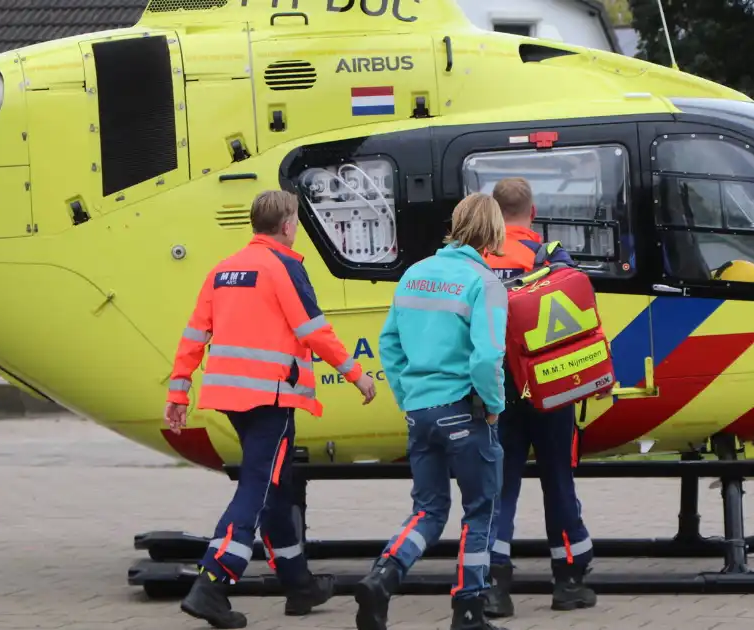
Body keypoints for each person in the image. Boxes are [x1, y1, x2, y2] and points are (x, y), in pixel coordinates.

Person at [164, 189, 377, 629]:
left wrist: (178, 394)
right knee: (259, 488)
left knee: (275, 486)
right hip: (270, 397)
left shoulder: (222, 271)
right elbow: (313, 330)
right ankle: (212, 582)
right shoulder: (284, 267)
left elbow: (193, 336)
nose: (296, 229)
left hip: (230, 398)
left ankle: (298, 584)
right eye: (296, 221)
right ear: (286, 226)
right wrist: (357, 374)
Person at [354, 193, 510, 630]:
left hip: (420, 413)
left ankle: (383, 577)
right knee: (481, 510)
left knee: (428, 510)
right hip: (465, 411)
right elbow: (485, 358)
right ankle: (468, 610)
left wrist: (409, 398)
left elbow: (389, 343)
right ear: (493, 232)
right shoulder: (486, 283)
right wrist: (494, 407)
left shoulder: (414, 275)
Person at [480, 177, 597, 618]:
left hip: (496, 390)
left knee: (498, 486)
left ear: (492, 213)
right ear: (532, 213)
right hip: (549, 387)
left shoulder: (476, 259)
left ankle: (493, 585)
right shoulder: (549, 256)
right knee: (558, 480)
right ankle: (569, 581)